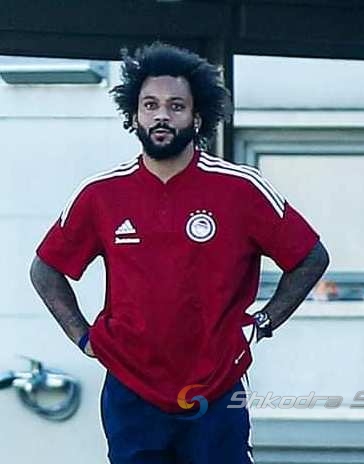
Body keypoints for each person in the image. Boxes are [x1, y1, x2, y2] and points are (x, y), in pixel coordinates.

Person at [30, 42, 329, 464]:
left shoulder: (240, 188)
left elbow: (311, 257)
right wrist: (84, 338)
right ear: (134, 115)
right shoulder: (101, 194)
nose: (162, 116)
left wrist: (262, 322)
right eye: (150, 105)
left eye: (176, 106)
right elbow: (45, 269)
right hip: (131, 390)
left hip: (216, 388)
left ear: (197, 117)